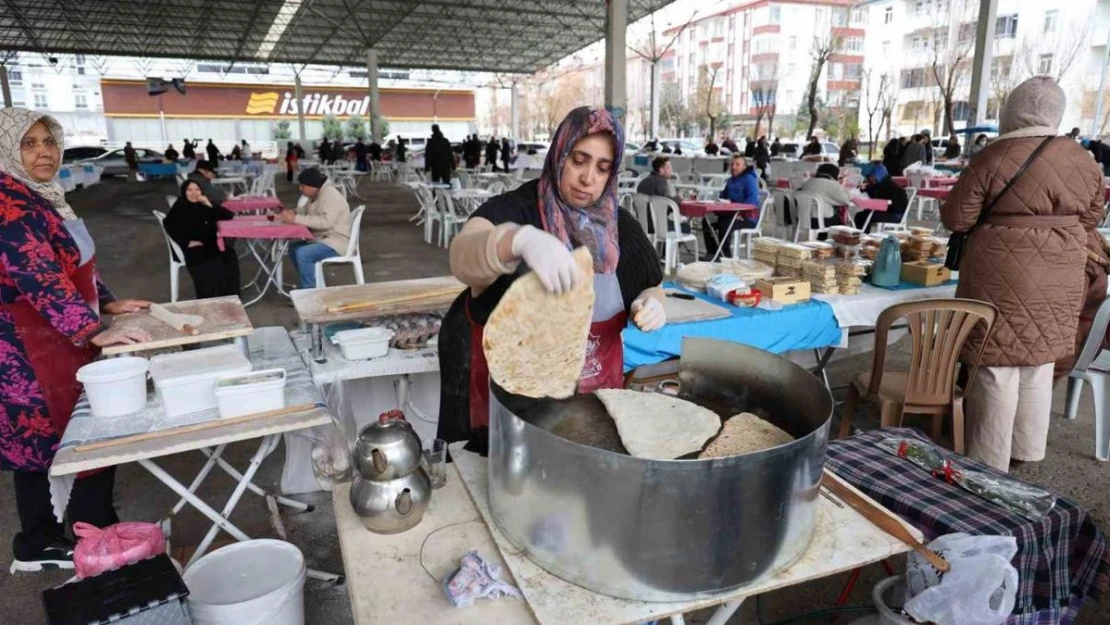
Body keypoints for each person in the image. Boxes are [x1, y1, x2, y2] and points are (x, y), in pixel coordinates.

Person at [437, 106, 665, 454]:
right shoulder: (516, 209)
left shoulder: (619, 227)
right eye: (578, 160)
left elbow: (651, 283)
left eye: (602, 168)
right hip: (508, 406)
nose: (588, 178)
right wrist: (517, 239)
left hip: (593, 399)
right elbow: (462, 256)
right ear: (560, 152)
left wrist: (652, 302)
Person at [0, 108, 153, 573]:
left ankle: (83, 524)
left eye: (49, 142)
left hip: (60, 333)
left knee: (76, 430)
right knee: (47, 437)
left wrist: (106, 303)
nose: (43, 152)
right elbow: (39, 275)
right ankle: (43, 541)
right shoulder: (9, 205)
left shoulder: (44, 197)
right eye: (29, 144)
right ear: (8, 149)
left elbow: (75, 262)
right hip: (29, 345)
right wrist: (91, 328)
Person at [941, 76, 1104, 472]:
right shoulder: (1083, 159)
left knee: (995, 366)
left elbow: (957, 216)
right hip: (1062, 272)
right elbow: (1094, 216)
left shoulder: (993, 157)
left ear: (1011, 110)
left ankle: (989, 460)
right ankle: (1027, 452)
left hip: (1000, 272)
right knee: (1038, 360)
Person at [163, 179, 240, 299]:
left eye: (197, 189)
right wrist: (186, 242)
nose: (193, 193)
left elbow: (228, 216)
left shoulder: (204, 205)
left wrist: (209, 204)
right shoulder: (180, 206)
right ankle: (213, 297)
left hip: (210, 245)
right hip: (195, 248)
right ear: (184, 191)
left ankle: (230, 296)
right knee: (211, 263)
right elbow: (169, 225)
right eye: (189, 190)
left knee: (230, 255)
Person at [279, 168, 353, 289]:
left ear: (312, 186)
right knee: (293, 248)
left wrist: (295, 219)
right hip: (323, 238)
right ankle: (313, 284)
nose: (300, 188)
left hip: (336, 242)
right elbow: (305, 211)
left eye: (302, 185)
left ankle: (310, 291)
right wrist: (293, 212)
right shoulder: (317, 194)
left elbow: (325, 222)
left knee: (303, 253)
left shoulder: (331, 196)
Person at [715, 154, 761, 256]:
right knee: (708, 220)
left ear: (744, 167)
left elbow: (752, 201)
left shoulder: (750, 179)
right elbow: (723, 197)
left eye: (737, 164)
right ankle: (713, 252)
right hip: (733, 214)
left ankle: (725, 257)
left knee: (724, 224)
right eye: (732, 164)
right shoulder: (730, 180)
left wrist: (741, 213)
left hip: (748, 217)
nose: (733, 167)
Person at [853, 164, 908, 232]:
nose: (871, 179)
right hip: (890, 212)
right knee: (862, 215)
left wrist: (867, 189)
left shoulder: (887, 187)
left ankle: (862, 235)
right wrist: (866, 189)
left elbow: (879, 199)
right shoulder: (884, 184)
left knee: (864, 216)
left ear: (877, 176)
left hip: (894, 215)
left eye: (872, 177)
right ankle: (861, 235)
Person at [798, 163, 851, 229]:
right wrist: (842, 185)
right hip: (822, 221)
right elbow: (846, 200)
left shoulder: (807, 182)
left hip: (800, 219)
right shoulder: (832, 184)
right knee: (841, 220)